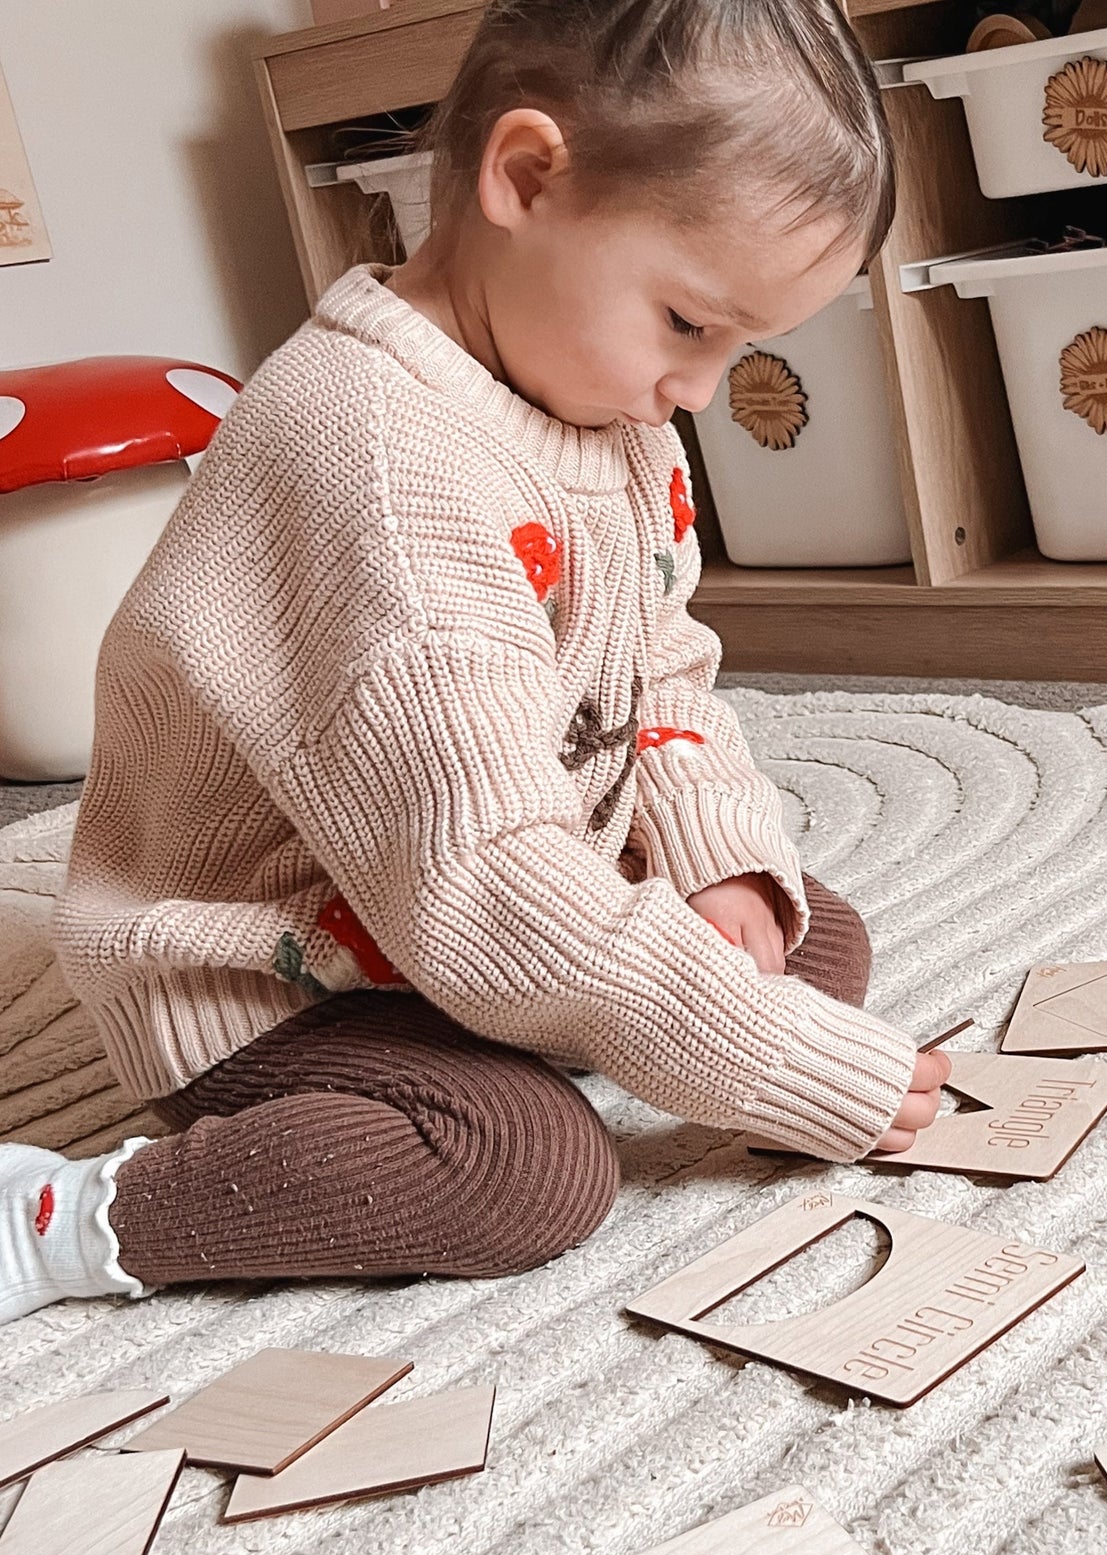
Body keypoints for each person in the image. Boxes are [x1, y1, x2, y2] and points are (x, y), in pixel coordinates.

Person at [2, 0, 947, 1323]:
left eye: (742, 346)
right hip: (276, 970)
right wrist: (747, 1050)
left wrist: (718, 864)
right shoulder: (378, 468)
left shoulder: (600, 406)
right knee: (525, 1169)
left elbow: (659, 669)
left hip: (479, 886)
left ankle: (578, 1006)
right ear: (525, 178)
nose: (699, 391)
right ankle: (57, 1220)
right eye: (688, 322)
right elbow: (485, 874)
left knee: (806, 934)